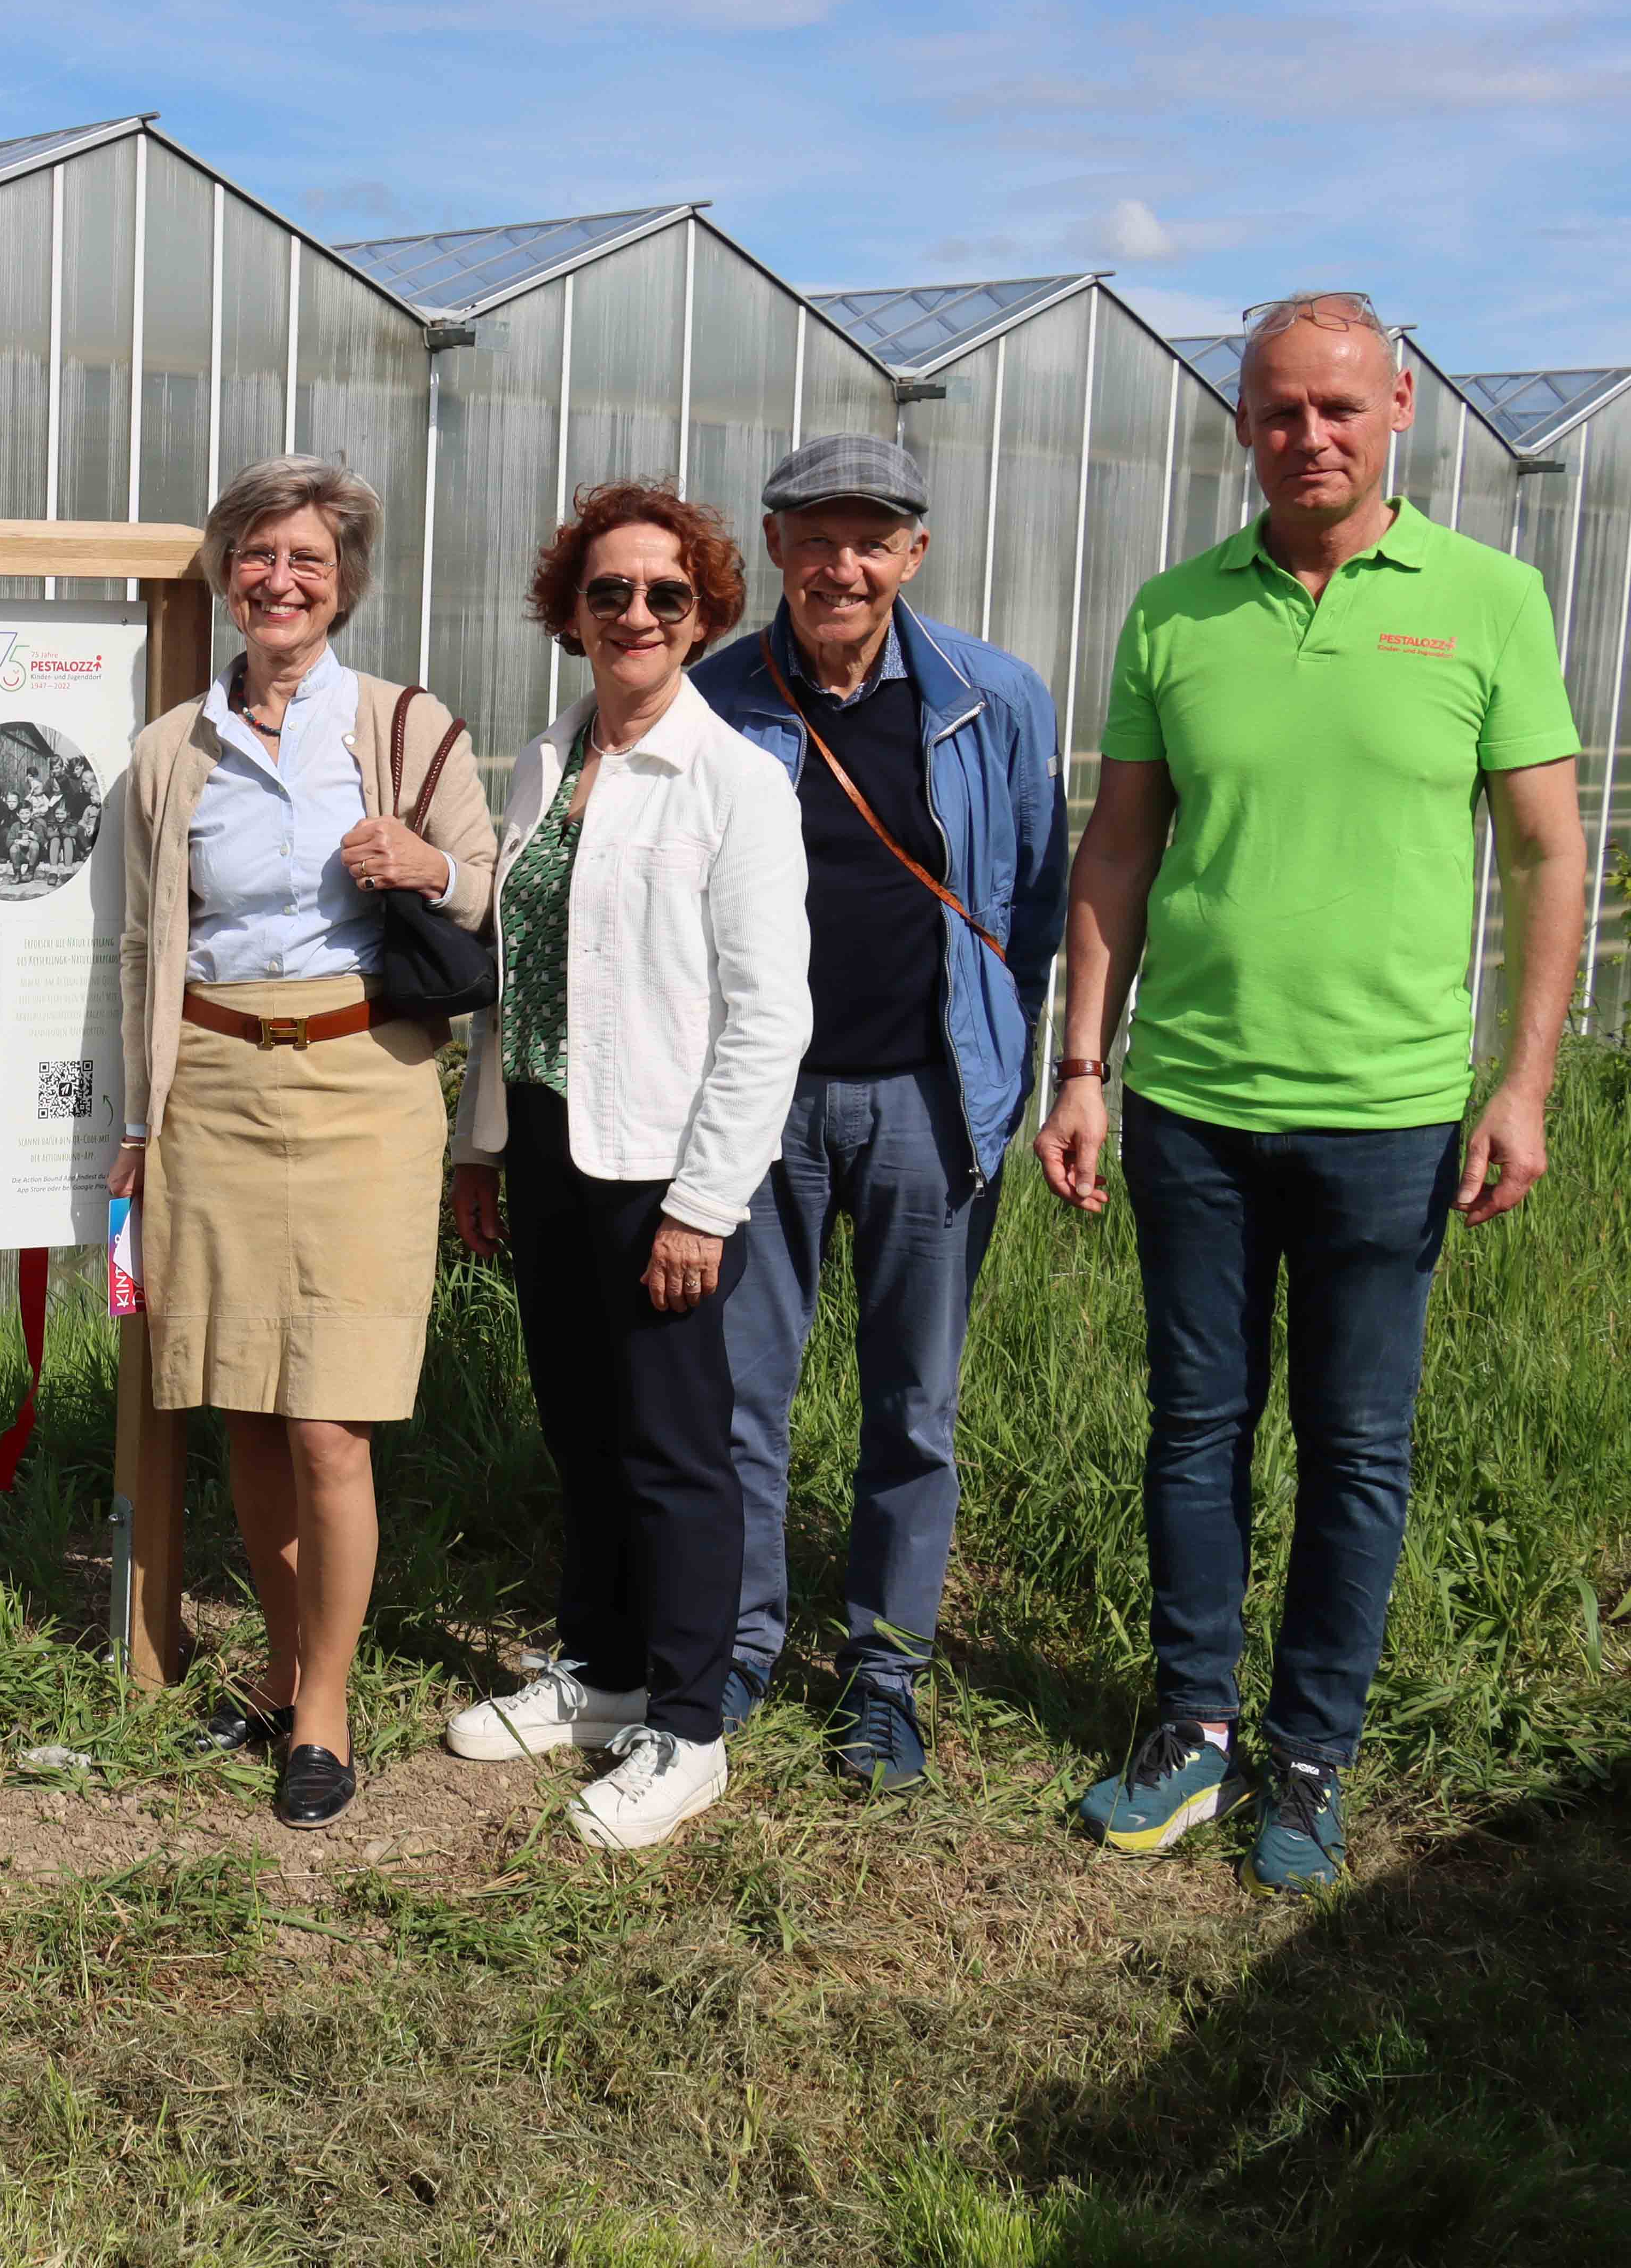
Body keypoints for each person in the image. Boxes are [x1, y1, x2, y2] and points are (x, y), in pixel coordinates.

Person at [1036, 293, 1584, 1898]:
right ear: (1242, 425)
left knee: (1356, 1443)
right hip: (1189, 1100)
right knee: (1194, 1422)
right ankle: (1194, 1723)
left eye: (1339, 406)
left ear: (1399, 405)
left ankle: (1313, 1747)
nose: (1310, 435)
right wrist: (1083, 1065)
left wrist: (1522, 1080)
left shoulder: (1486, 600)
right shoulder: (1174, 612)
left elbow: (1549, 853)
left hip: (1391, 1112)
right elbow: (1119, 847)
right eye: (1279, 410)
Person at [112, 454, 499, 1829]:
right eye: (258, 555)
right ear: (225, 574)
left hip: (362, 1083)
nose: (280, 580)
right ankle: (283, 1674)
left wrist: (423, 865)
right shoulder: (174, 749)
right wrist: (134, 1117)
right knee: (244, 1400)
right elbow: (142, 941)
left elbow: (492, 889)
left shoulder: (400, 727)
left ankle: (323, 1707)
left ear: (343, 587)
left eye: (309, 563)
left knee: (331, 1415)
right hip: (212, 1077)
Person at [687, 434, 1065, 1789]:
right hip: (756, 1102)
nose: (839, 564)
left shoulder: (988, 698)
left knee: (915, 1398)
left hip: (925, 1096)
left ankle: (885, 1671)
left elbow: (1031, 895)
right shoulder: (716, 696)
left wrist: (1006, 1061)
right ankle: (733, 1646)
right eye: (813, 535)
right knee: (742, 1388)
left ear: (912, 552)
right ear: (775, 547)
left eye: (870, 538)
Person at [444, 481, 809, 1851]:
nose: (637, 614)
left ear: (706, 612)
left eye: (666, 594)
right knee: (580, 1422)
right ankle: (601, 1671)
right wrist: (480, 1139)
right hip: (549, 1136)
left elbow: (769, 1012)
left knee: (674, 1446)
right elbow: (513, 974)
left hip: (658, 1163)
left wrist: (704, 1202)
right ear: (571, 612)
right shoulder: (547, 762)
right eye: (609, 592)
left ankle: (692, 1720)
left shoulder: (735, 783)